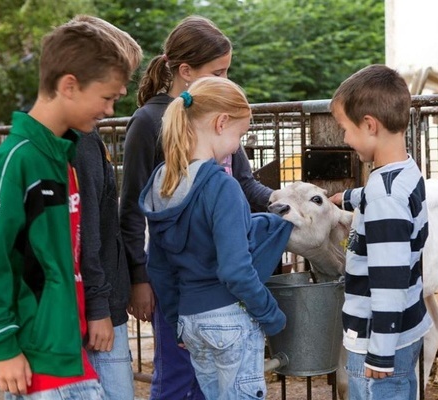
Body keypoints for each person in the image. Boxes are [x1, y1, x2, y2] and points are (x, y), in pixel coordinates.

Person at [0, 15, 132, 399]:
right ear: (69, 85)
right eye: (106, 97)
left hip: (67, 352)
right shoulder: (17, 161)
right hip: (41, 364)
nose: (109, 110)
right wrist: (2, 347)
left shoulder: (62, 155)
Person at [119, 15, 273, 399]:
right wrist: (140, 277)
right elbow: (133, 208)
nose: (226, 80)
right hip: (178, 277)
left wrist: (284, 203)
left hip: (222, 284)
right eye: (217, 72)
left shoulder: (219, 124)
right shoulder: (148, 121)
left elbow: (243, 183)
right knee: (175, 376)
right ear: (185, 71)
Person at [139, 76, 292, 400]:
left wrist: (175, 318)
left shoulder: (162, 183)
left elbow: (159, 267)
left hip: (190, 321)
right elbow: (235, 269)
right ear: (222, 123)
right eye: (240, 134)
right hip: (229, 319)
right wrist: (270, 313)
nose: (238, 146)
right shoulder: (222, 187)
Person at [329, 64, 433, 400]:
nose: (344, 138)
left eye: (344, 128)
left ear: (370, 125)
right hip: (406, 326)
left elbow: (390, 280)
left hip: (380, 338)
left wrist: (380, 352)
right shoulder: (403, 172)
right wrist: (349, 197)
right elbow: (385, 201)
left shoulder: (384, 196)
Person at [70, 17, 142, 400]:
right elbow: (90, 231)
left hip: (102, 303)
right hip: (96, 312)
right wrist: (99, 307)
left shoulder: (88, 136)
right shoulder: (79, 142)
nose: (121, 94)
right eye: (114, 85)